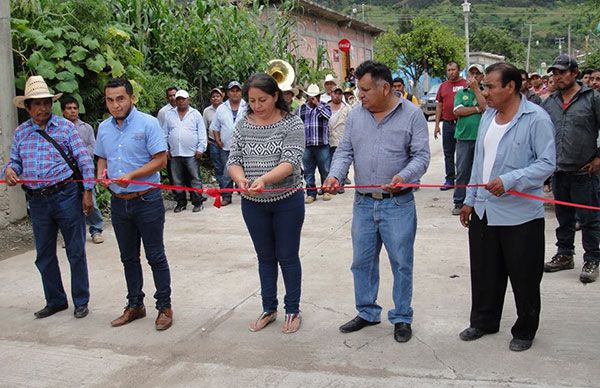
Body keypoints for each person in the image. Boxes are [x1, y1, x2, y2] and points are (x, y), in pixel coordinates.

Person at [323, 60, 430, 344]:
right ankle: (368, 312)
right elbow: (344, 150)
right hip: (363, 203)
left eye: (365, 89)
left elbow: (421, 156)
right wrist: (335, 175)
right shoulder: (356, 115)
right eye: (359, 89)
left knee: (401, 262)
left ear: (385, 88)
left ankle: (402, 316)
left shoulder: (412, 115)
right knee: (362, 262)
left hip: (398, 204)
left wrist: (403, 175)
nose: (360, 95)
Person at [458, 62, 556, 352]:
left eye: (490, 86)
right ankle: (484, 321)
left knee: (524, 276)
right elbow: (478, 162)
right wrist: (469, 201)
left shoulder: (536, 119)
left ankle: (525, 329)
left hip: (520, 215)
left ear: (510, 87)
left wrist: (511, 180)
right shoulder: (488, 117)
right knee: (485, 270)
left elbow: (547, 163)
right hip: (484, 210)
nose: (485, 92)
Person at [3, 75, 94, 319]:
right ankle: (55, 300)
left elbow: (84, 160)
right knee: (44, 254)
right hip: (38, 201)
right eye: (37, 103)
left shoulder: (66, 128)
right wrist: (9, 171)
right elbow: (14, 163)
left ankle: (80, 300)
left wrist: (87, 192)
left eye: (46, 102)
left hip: (65, 195)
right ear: (28, 107)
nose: (43, 108)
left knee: (75, 250)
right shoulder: (22, 133)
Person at [227, 73, 305, 334]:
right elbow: (233, 160)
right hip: (252, 203)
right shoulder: (242, 125)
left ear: (275, 96)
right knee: (265, 257)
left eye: (263, 99)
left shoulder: (292, 123)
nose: (257, 106)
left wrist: (263, 180)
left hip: (287, 201)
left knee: (288, 256)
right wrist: (240, 180)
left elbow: (290, 160)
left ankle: (292, 309)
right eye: (252, 101)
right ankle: (268, 308)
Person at [95, 78, 173, 331]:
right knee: (128, 257)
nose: (115, 105)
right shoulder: (104, 128)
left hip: (147, 199)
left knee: (155, 256)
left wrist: (133, 176)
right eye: (110, 100)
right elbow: (102, 157)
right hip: (119, 202)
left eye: (120, 99)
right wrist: (101, 174)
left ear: (131, 98)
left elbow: (160, 160)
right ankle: (135, 305)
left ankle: (164, 307)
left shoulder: (148, 123)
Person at [541, 55, 600, 283]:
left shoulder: (592, 98)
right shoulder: (550, 102)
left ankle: (592, 258)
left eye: (562, 72)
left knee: (589, 218)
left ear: (575, 73)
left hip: (585, 171)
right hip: (559, 171)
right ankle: (565, 254)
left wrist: (598, 157)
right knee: (563, 217)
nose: (557, 77)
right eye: (554, 73)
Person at [61, 95, 104, 244]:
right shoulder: (57, 129)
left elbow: (94, 146)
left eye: (75, 108)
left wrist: (80, 154)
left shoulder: (86, 128)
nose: (72, 111)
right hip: (65, 173)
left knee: (90, 200)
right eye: (69, 108)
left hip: (83, 169)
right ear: (62, 111)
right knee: (69, 205)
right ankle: (72, 236)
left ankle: (96, 230)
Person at [451, 64, 486, 216]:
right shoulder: (461, 93)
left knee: (480, 171)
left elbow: (485, 107)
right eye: (471, 73)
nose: (473, 76)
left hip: (481, 138)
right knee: (462, 171)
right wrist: (477, 109)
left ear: (481, 77)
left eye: (477, 74)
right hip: (464, 137)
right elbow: (458, 111)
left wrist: (477, 90)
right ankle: (459, 201)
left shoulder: (485, 92)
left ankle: (478, 201)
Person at [164, 89, 207, 213]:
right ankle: (180, 202)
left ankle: (197, 202)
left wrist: (201, 148)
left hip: (191, 153)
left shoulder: (195, 114)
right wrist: (165, 149)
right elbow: (164, 134)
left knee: (195, 178)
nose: (181, 101)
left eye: (183, 99)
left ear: (188, 100)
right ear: (175, 101)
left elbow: (202, 132)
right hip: (175, 153)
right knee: (177, 180)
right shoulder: (169, 114)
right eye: (178, 99)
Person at [211, 81, 247, 206]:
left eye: (237, 90)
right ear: (227, 93)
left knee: (245, 170)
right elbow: (215, 127)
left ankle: (245, 193)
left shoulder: (247, 107)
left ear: (241, 92)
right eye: (232, 90)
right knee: (227, 172)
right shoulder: (221, 108)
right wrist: (218, 140)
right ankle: (226, 196)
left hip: (244, 147)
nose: (235, 93)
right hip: (226, 146)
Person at [296, 84, 332, 204]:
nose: (312, 98)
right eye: (311, 96)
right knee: (308, 171)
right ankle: (311, 193)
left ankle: (326, 190)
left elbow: (328, 116)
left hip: (322, 144)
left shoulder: (325, 106)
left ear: (319, 96)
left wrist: (318, 105)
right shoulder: (301, 109)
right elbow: (296, 125)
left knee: (325, 169)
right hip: (307, 145)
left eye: (315, 96)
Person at [434, 61, 467, 191]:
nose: (451, 72)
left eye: (453, 69)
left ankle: (461, 180)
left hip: (462, 125)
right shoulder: (443, 86)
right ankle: (449, 179)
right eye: (448, 70)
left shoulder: (465, 84)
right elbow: (439, 106)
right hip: (447, 124)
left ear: (459, 70)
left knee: (462, 154)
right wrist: (437, 125)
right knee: (448, 153)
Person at [328, 85, 351, 194]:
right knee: (328, 163)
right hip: (328, 140)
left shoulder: (347, 108)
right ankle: (328, 184)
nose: (337, 96)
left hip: (342, 140)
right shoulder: (325, 107)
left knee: (341, 162)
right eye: (335, 93)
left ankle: (340, 184)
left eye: (339, 93)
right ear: (331, 94)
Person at [203, 87, 224, 186]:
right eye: (213, 96)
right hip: (213, 142)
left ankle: (236, 185)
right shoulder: (207, 111)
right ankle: (223, 187)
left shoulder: (227, 108)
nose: (215, 98)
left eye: (217, 96)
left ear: (222, 97)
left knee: (229, 164)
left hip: (226, 142)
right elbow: (204, 126)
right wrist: (206, 140)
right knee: (217, 165)